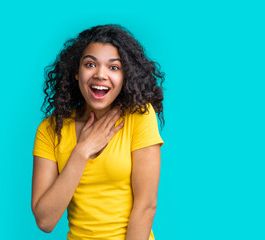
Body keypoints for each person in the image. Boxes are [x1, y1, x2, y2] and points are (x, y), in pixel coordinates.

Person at [31, 24, 165, 240]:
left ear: (126, 76)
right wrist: (81, 151)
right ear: (76, 72)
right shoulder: (50, 129)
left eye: (114, 67)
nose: (100, 74)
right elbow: (45, 221)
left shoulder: (139, 118)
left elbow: (145, 206)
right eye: (90, 64)